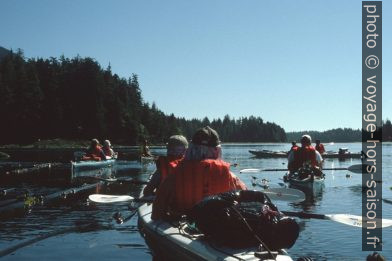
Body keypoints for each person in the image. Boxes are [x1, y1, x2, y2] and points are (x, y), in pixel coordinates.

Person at [152, 126, 247, 220]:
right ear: (217, 150)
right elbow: (246, 201)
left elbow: (156, 214)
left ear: (191, 149)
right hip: (217, 226)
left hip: (182, 224)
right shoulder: (230, 176)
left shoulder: (175, 175)